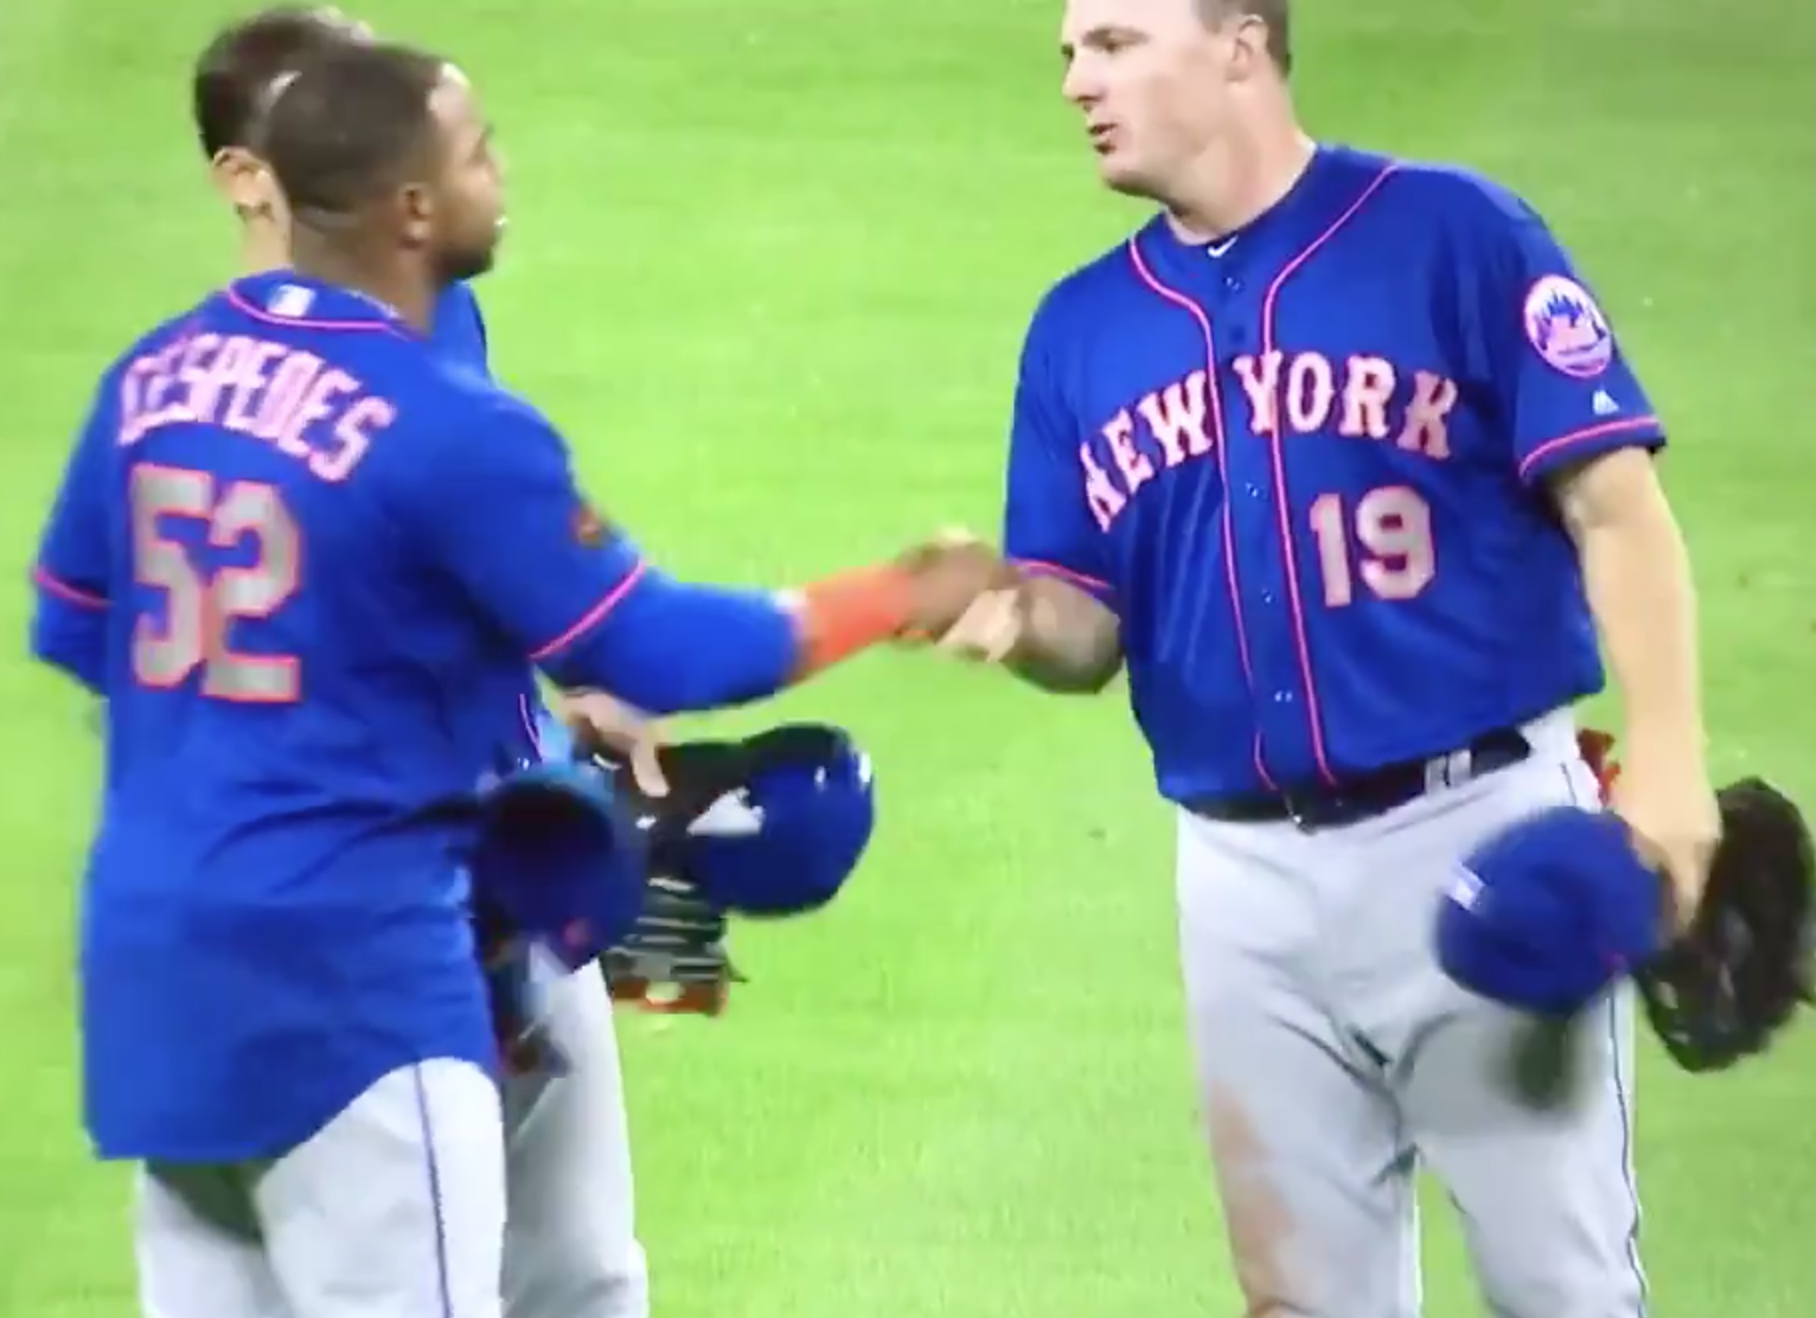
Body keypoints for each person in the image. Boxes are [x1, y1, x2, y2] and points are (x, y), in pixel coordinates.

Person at [28, 39, 998, 1318]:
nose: (504, 171)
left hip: (157, 988)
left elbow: (84, 632)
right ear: (413, 208)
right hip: (357, 988)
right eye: (480, 151)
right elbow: (659, 648)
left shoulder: (151, 379)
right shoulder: (446, 420)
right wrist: (900, 591)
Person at [932, 0, 1718, 1313]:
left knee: (1562, 1288)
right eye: (1071, 51)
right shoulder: (1078, 331)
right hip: (1241, 885)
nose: (1076, 79)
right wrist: (1015, 619)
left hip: (1482, 839)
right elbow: (1085, 632)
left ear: (1240, 41)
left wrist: (1674, 760)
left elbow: (1616, 507)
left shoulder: (1455, 236)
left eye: (1116, 42)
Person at [186, 11, 658, 1318]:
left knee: (585, 1274)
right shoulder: (223, 398)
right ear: (247, 175)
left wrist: (587, 669)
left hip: (514, 866)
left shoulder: (435, 317)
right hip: (363, 923)